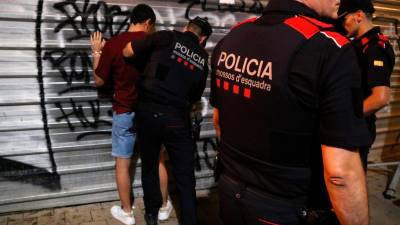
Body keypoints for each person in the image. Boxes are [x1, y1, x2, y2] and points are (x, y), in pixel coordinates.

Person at [210, 0, 372, 224]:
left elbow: (219, 121)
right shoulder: (328, 48)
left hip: (230, 192)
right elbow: (340, 174)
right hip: (287, 208)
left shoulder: (233, 36)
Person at [122, 17, 212, 225]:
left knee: (150, 165)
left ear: (186, 28)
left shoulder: (166, 37)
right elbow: (194, 99)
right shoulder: (202, 59)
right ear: (203, 38)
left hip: (149, 113)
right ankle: (190, 220)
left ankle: (152, 214)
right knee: (185, 176)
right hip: (177, 120)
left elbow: (127, 51)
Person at [90, 4, 156, 225]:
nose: (152, 32)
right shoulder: (154, 46)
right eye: (152, 27)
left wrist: (97, 51)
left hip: (124, 111)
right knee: (158, 160)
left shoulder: (116, 44)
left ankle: (127, 213)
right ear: (147, 23)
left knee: (122, 164)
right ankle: (164, 206)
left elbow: (99, 81)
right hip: (151, 112)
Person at [338, 0, 396, 171]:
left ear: (358, 15)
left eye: (344, 19)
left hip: (355, 129)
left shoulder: (375, 48)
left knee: (351, 187)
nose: (342, 24)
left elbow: (381, 98)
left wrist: (344, 118)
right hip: (350, 128)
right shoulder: (358, 44)